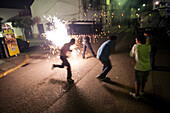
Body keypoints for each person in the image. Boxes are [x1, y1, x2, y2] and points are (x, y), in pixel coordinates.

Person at [129, 35, 151, 99]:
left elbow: (131, 54)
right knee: (144, 80)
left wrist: (131, 48)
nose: (135, 41)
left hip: (139, 68)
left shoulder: (136, 47)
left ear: (139, 41)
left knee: (137, 82)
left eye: (136, 40)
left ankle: (137, 95)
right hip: (147, 67)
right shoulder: (148, 46)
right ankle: (142, 91)